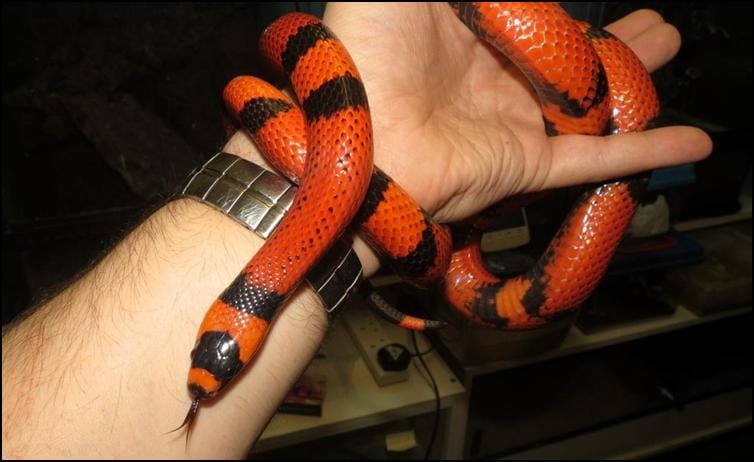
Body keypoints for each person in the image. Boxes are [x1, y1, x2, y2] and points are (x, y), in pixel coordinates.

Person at [2, 4, 711, 458]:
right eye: (226, 363)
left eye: (211, 353)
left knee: (609, 138)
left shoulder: (324, 205)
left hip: (376, 179)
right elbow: (338, 192)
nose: (217, 374)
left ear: (224, 320)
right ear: (237, 331)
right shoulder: (334, 213)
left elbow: (286, 56)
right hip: (389, 198)